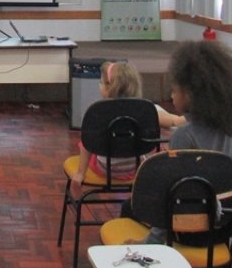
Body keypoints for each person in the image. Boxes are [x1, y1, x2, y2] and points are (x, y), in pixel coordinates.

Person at [141, 40, 232, 244]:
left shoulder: (184, 135)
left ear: (190, 94)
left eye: (174, 90)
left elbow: (171, 192)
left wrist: (151, 243)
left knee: (130, 207)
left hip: (185, 230)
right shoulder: (229, 130)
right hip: (220, 227)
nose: (171, 95)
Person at [69, 61, 185, 198]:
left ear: (108, 87)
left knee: (91, 140)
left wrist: (80, 173)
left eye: (100, 82)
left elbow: (86, 144)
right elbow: (177, 122)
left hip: (105, 169)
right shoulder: (148, 110)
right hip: (137, 168)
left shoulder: (98, 112)